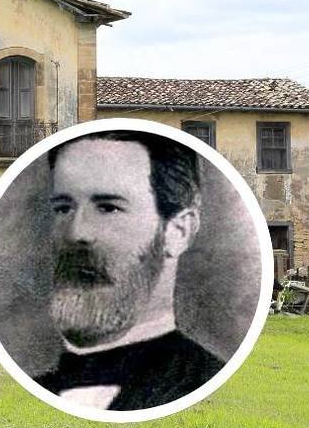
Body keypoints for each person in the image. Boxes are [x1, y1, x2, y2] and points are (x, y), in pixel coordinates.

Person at [34, 131, 224, 410]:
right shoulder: (38, 387)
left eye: (108, 208)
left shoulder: (202, 383)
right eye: (64, 208)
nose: (77, 233)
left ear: (178, 231)